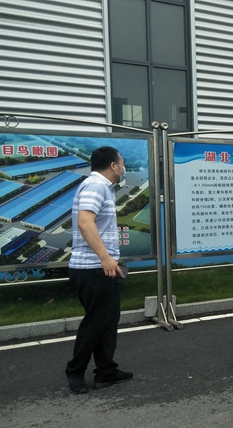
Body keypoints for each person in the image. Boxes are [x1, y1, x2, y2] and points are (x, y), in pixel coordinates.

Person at [65, 146, 133, 394]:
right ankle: (75, 372)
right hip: (94, 268)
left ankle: (106, 371)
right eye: (122, 163)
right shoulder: (96, 186)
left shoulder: (102, 187)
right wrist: (105, 258)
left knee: (107, 321)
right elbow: (85, 222)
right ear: (114, 166)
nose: (124, 167)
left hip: (102, 267)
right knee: (95, 323)